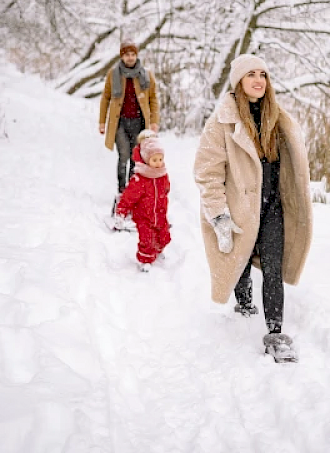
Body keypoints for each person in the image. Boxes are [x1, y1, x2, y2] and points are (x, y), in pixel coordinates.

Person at [193, 54, 313, 362]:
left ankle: (275, 333)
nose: (259, 80)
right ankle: (243, 300)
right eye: (251, 75)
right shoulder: (221, 121)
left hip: (272, 207)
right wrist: (218, 213)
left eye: (263, 74)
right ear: (239, 82)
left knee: (272, 266)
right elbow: (207, 171)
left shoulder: (278, 118)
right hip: (239, 208)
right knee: (241, 262)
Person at [99, 40, 160, 214]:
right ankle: (121, 189)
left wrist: (154, 121)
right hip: (119, 123)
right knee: (124, 154)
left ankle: (132, 191)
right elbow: (106, 98)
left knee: (136, 157)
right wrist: (102, 121)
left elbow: (153, 99)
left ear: (137, 55)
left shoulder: (146, 75)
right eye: (127, 55)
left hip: (140, 123)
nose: (130, 58)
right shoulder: (114, 74)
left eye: (133, 54)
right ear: (122, 56)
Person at [115, 132, 171, 273]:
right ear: (146, 160)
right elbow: (128, 198)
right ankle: (145, 260)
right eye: (154, 160)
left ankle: (157, 250)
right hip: (144, 216)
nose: (158, 163)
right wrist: (121, 212)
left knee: (164, 236)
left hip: (160, 214)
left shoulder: (162, 175)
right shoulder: (140, 179)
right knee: (147, 239)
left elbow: (166, 189)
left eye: (160, 159)